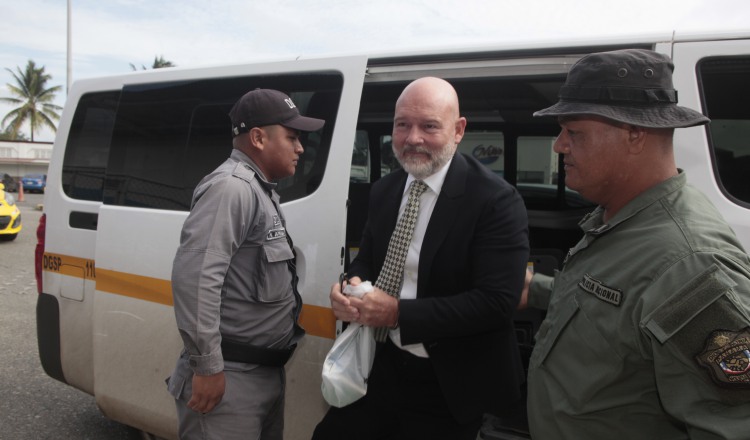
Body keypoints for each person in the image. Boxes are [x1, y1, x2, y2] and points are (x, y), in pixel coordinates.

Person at [522, 48, 750, 439]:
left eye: (573, 132)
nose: (559, 145)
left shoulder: (688, 263)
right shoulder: (624, 219)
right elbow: (621, 307)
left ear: (634, 135)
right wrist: (538, 290)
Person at [312, 77, 530, 440]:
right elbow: (366, 261)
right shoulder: (385, 190)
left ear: (458, 130)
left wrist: (398, 313)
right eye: (402, 125)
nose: (413, 138)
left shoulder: (495, 201)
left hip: (447, 383)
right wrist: (348, 286)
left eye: (429, 126)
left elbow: (497, 303)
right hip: (379, 366)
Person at [166, 88, 324, 440]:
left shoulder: (260, 190)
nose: (300, 148)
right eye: (292, 137)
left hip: (262, 374)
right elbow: (195, 278)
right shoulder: (231, 189)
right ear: (258, 138)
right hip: (231, 378)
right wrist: (207, 368)